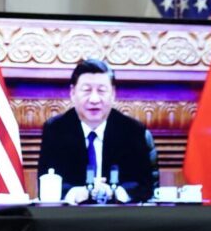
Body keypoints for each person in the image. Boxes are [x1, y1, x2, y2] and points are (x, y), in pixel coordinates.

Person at [37, 59, 155, 204]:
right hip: (72, 218)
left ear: (113, 94)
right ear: (73, 93)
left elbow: (144, 185)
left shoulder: (131, 130)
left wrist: (115, 192)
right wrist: (76, 193)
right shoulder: (56, 130)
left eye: (101, 91)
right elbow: (47, 181)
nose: (94, 99)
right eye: (86, 90)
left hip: (121, 219)